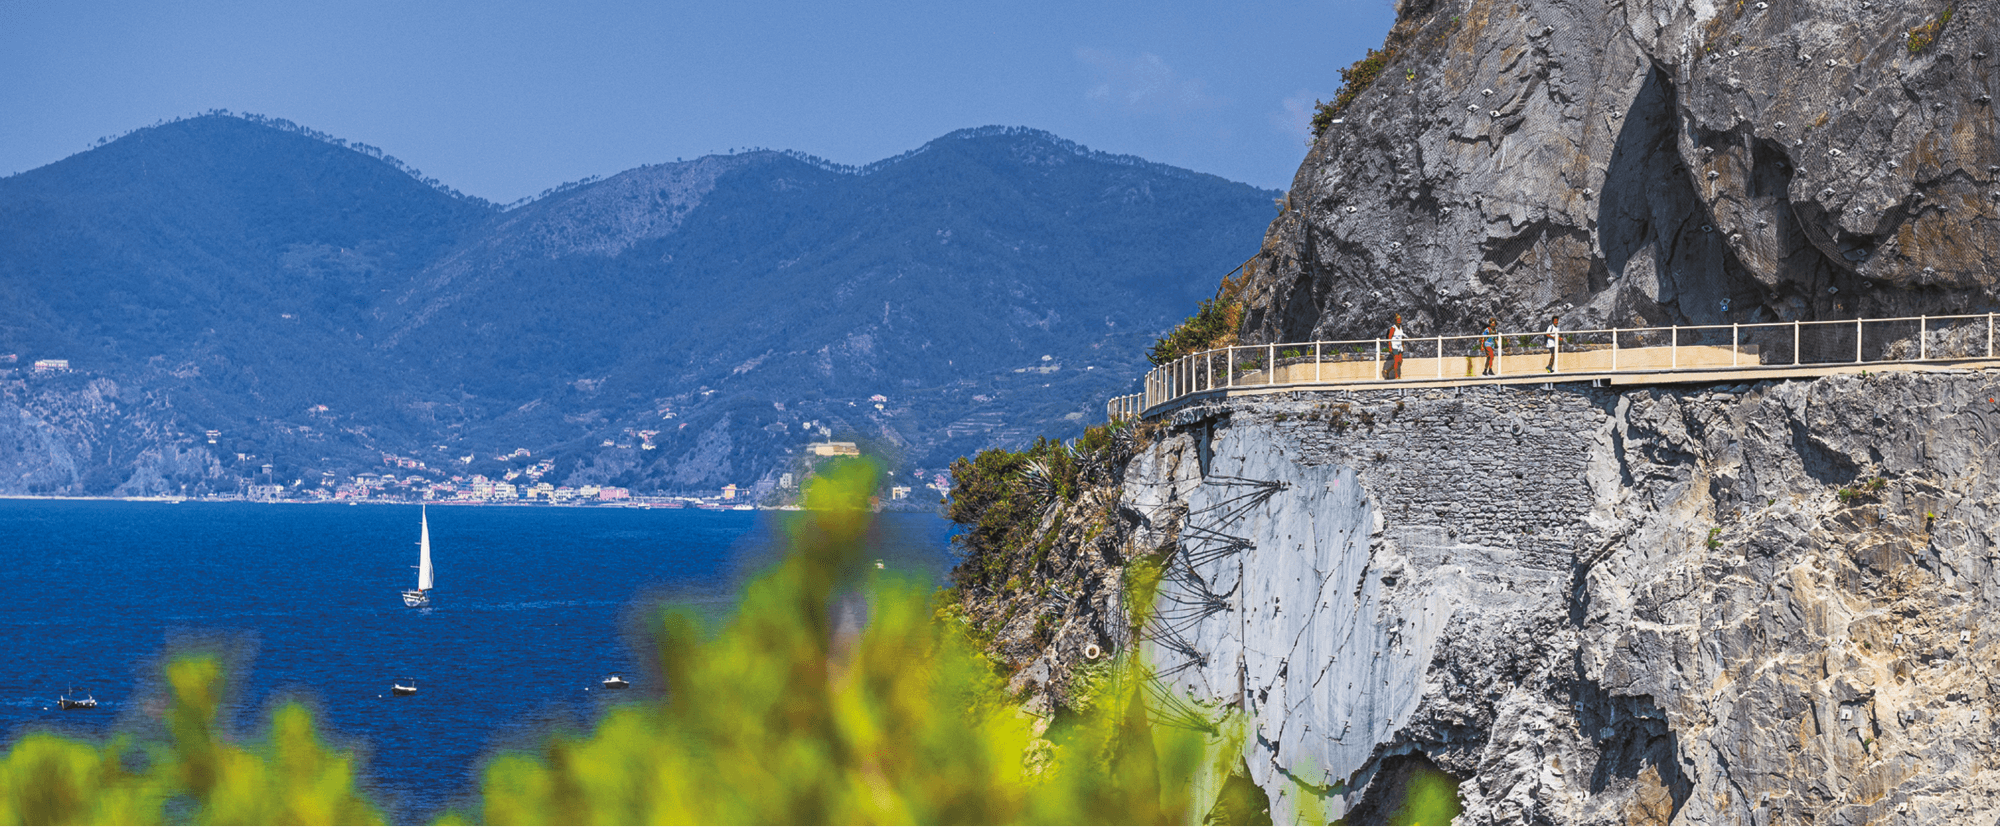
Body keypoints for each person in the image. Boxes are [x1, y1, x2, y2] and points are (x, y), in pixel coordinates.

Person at [1384, 314, 1406, 380]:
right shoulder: (1393, 328)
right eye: (1398, 320)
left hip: (1399, 346)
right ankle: (1396, 376)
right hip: (1394, 346)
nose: (1399, 321)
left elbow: (1402, 337)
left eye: (1400, 320)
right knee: (1396, 361)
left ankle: (1387, 371)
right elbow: (1389, 338)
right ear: (1395, 321)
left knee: (1400, 361)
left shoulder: (1401, 328)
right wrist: (1390, 347)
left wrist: (1402, 345)